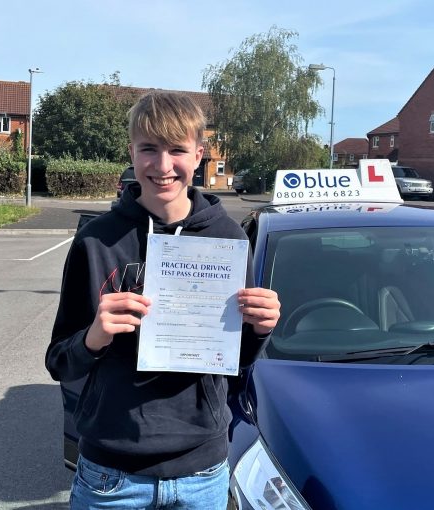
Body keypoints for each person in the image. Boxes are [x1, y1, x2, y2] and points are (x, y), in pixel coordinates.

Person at [46, 91, 280, 509]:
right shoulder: (96, 241)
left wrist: (260, 329)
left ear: (200, 154)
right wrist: (94, 336)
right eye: (149, 149)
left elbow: (235, 362)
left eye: (177, 150)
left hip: (201, 472)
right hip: (111, 474)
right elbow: (59, 362)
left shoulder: (226, 240)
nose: (163, 165)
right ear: (132, 152)